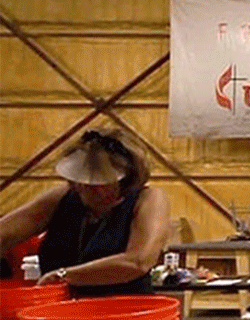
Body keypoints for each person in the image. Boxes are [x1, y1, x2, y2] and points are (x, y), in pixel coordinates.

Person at [0, 126, 170, 297]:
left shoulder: (149, 199)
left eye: (102, 182)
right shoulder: (61, 197)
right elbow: (5, 233)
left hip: (124, 309)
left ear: (125, 178)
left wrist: (65, 275)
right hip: (60, 308)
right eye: (84, 180)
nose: (90, 188)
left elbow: (138, 261)